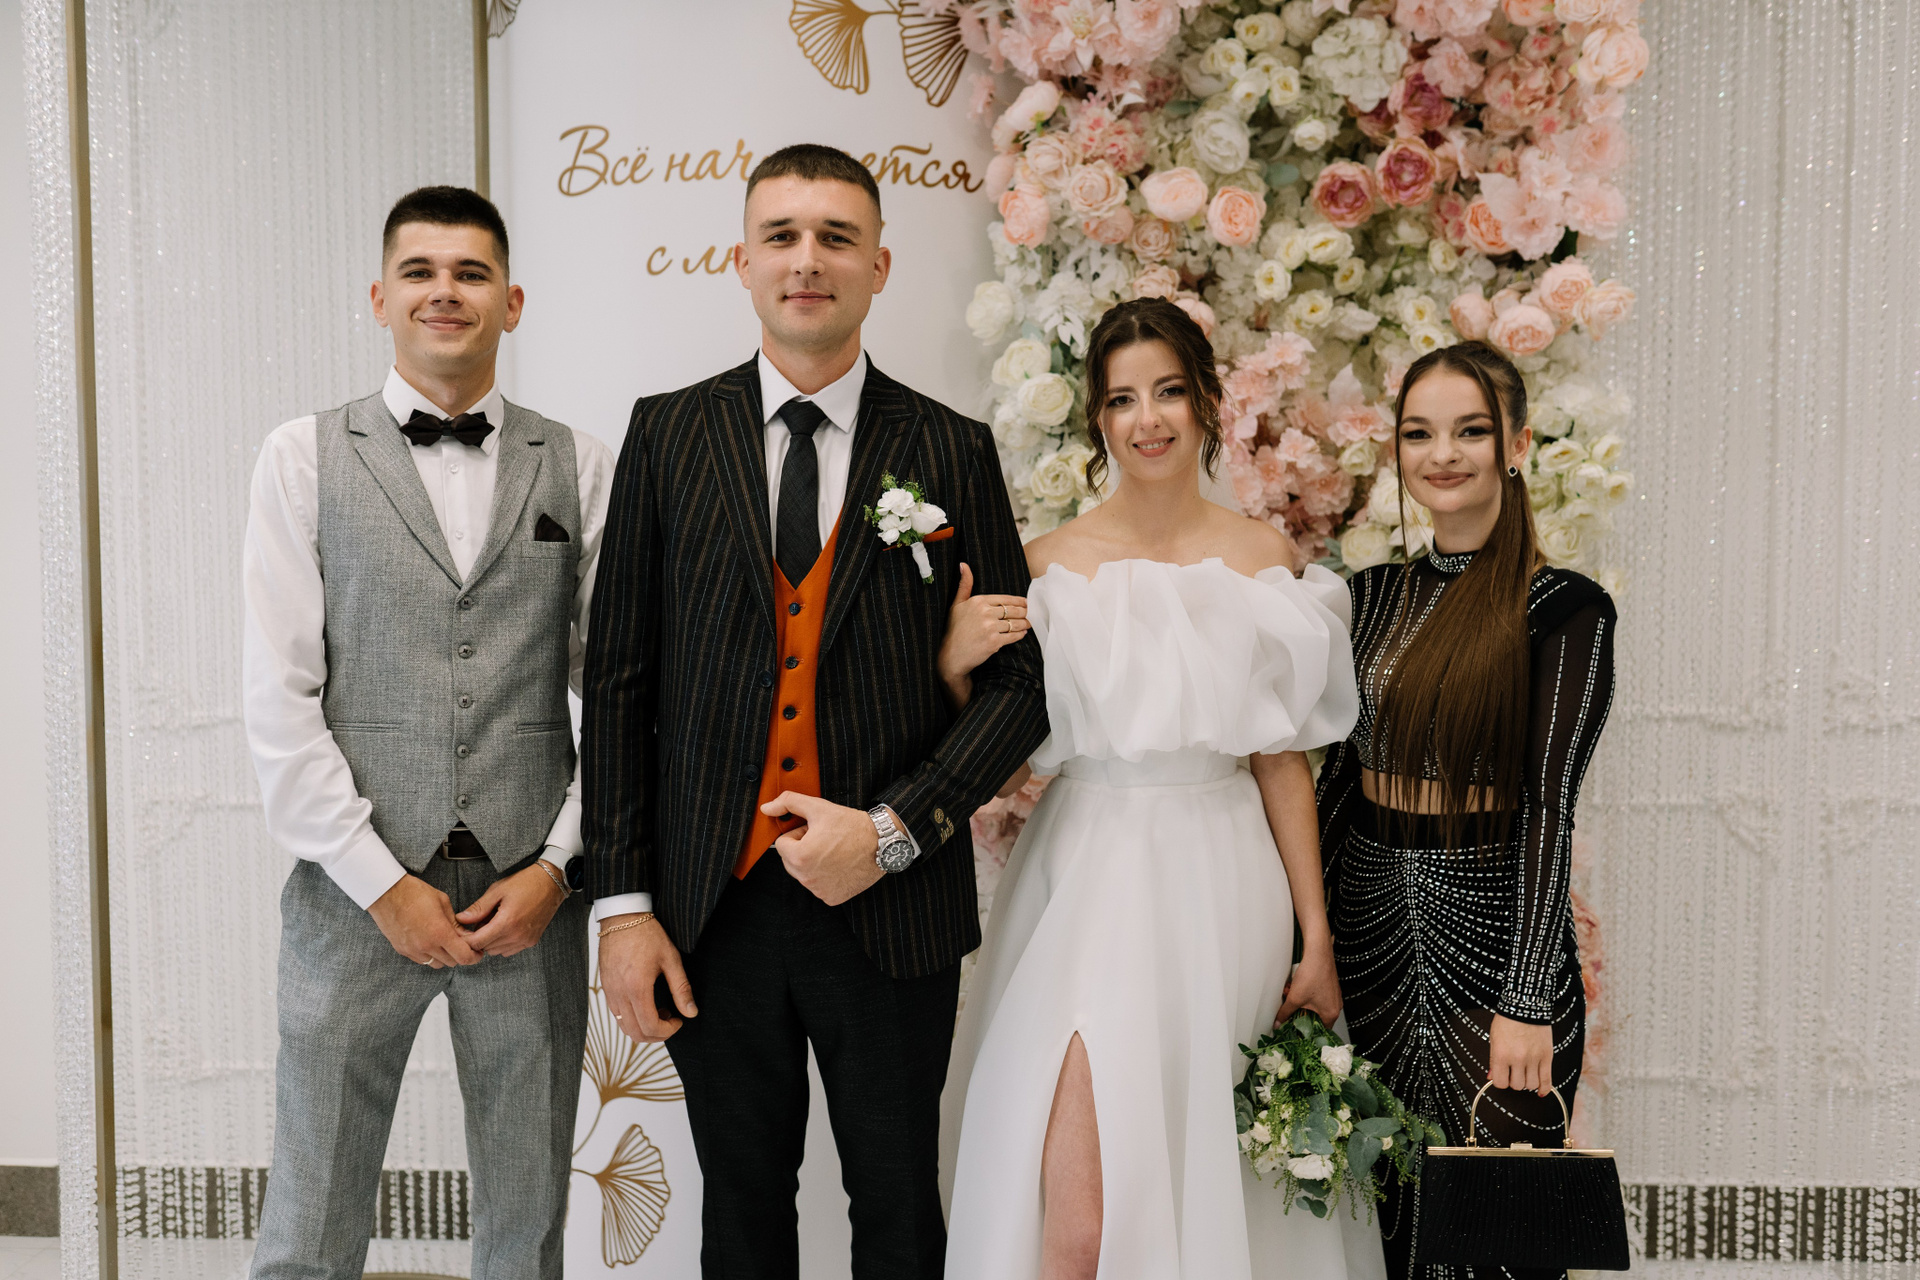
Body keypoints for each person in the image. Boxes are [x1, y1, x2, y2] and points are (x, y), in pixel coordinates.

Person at [580, 143, 1048, 1279]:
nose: (807, 260)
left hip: (893, 907)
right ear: (741, 261)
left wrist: (891, 832)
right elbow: (620, 681)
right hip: (713, 905)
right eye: (781, 236)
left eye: (836, 238)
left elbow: (1019, 688)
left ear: (878, 266)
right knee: (740, 1210)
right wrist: (624, 908)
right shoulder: (666, 434)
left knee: (898, 1202)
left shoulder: (949, 446)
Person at [938, 297, 1384, 1280]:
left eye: (1169, 391)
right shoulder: (1046, 568)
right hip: (1085, 872)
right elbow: (1004, 771)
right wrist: (958, 670)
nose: (1148, 418)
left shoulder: (1262, 558)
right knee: (1076, 1218)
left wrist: (1315, 937)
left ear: (1206, 403)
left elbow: (1280, 760)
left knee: (1197, 1175)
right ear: (1097, 419)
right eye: (1122, 398)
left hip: (1224, 879)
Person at [241, 186, 613, 1280]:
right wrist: (378, 881)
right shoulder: (301, 457)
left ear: (513, 301)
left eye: (470, 272)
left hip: (528, 902)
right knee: (310, 1220)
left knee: (526, 1224)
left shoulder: (582, 464)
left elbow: (620, 695)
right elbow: (279, 694)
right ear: (379, 297)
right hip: (352, 895)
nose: (445, 291)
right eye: (420, 271)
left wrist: (559, 866)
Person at [1315, 341, 1617, 1280]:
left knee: (1495, 1241)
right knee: (1383, 1226)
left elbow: (1549, 808)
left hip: (1494, 952)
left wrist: (1526, 1000)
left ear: (1517, 445)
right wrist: (1304, 940)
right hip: (1368, 943)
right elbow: (1337, 785)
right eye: (1419, 433)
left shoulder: (1565, 608)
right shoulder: (1368, 598)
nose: (1442, 454)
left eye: (1471, 431)